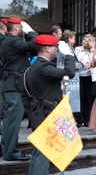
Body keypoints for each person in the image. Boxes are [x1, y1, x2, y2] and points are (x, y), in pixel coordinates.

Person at [26, 34, 76, 175]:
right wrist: (69, 55)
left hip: (39, 113)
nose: (57, 50)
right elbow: (69, 72)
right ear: (47, 49)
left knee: (38, 154)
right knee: (43, 155)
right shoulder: (43, 67)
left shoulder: (36, 65)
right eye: (55, 47)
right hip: (45, 115)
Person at [0, 17, 37, 161]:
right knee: (13, 122)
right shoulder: (14, 41)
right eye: (21, 28)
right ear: (16, 28)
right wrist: (31, 31)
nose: (23, 31)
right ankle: (11, 153)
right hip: (15, 86)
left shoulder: (8, 41)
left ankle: (8, 150)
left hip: (11, 84)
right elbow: (35, 44)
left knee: (10, 121)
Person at [57, 29, 83, 114]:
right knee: (67, 106)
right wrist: (81, 65)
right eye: (74, 39)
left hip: (71, 81)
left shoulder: (68, 48)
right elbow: (64, 65)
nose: (74, 41)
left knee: (70, 106)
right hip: (68, 82)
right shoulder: (64, 49)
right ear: (69, 38)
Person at [74, 34, 96, 127]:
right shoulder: (78, 49)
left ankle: (87, 120)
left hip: (89, 76)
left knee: (88, 97)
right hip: (79, 75)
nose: (83, 41)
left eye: (86, 40)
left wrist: (93, 48)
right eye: (83, 40)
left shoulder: (94, 51)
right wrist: (83, 64)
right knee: (80, 96)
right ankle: (79, 119)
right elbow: (75, 60)